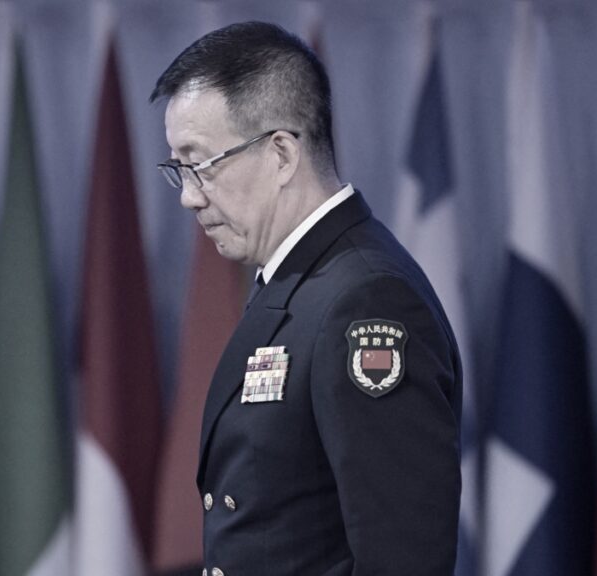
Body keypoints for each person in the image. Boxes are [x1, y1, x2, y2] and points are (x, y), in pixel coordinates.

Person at [150, 21, 462, 576]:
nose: (189, 198)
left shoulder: (367, 301)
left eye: (201, 165)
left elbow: (402, 559)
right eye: (180, 169)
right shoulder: (303, 280)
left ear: (281, 155)